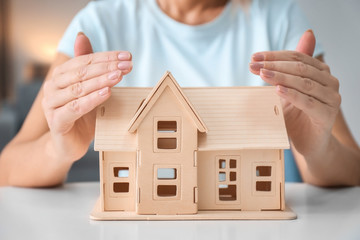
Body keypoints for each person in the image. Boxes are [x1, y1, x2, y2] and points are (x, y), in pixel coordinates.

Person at [0, 0, 359, 187]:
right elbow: (8, 168)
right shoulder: (98, 22)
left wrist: (318, 149)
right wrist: (59, 148)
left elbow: (352, 169)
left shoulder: (277, 17)